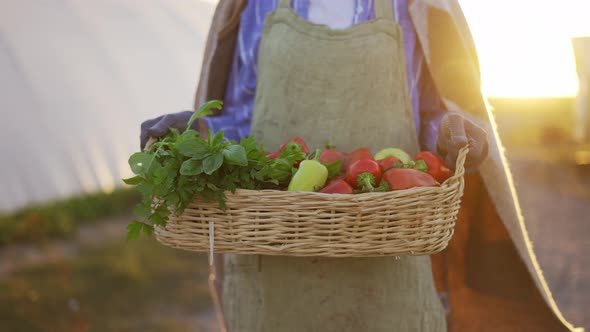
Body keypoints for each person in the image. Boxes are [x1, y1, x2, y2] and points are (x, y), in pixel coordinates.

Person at [140, 1, 580, 331]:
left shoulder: (413, 7)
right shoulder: (258, 6)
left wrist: (448, 132)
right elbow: (242, 119)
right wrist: (194, 132)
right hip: (274, 269)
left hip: (389, 263)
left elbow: (427, 112)